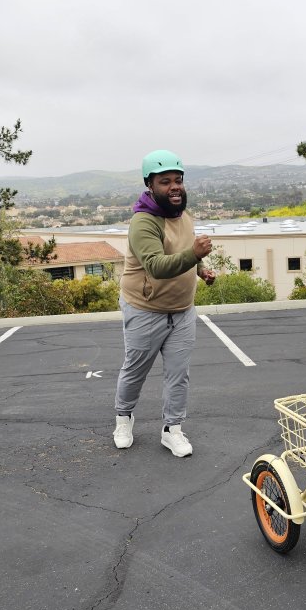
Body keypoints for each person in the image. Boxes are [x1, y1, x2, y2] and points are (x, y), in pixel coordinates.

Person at [113, 149, 216, 456]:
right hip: (145, 310)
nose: (174, 186)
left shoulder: (184, 216)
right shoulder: (143, 222)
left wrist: (200, 270)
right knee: (135, 370)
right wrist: (195, 255)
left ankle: (172, 429)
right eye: (165, 181)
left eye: (178, 180)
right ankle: (123, 417)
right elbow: (157, 266)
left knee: (178, 373)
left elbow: (183, 251)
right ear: (150, 185)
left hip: (182, 311)